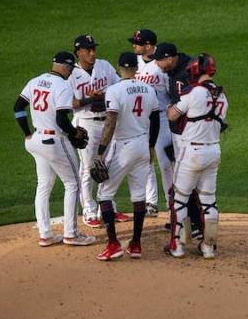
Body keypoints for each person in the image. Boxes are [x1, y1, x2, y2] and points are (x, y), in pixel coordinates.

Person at [13, 51, 96, 247]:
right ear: (66, 67)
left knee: (43, 185)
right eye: (70, 69)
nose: (70, 73)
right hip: (54, 141)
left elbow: (18, 107)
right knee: (72, 184)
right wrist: (74, 132)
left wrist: (26, 132)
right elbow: (61, 120)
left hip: (35, 140)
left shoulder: (36, 81)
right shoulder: (62, 86)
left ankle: (46, 234)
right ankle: (71, 234)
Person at [94, 52, 160, 261]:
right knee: (139, 195)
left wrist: (100, 152)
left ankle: (113, 244)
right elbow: (156, 120)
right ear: (136, 68)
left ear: (119, 67)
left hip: (122, 147)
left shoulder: (114, 90)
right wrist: (151, 147)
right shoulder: (149, 90)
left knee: (104, 194)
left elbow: (110, 123)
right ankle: (136, 244)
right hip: (142, 145)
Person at [165, 54, 228, 259]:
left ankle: (177, 246)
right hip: (214, 151)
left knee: (180, 199)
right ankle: (208, 248)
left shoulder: (193, 93)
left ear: (196, 71)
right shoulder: (222, 96)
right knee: (209, 200)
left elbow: (172, 115)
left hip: (191, 151)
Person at [68, 34, 130, 227]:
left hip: (107, 123)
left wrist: (104, 95)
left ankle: (108, 206)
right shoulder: (71, 74)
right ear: (79, 52)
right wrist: (90, 99)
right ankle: (88, 209)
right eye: (88, 50)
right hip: (85, 123)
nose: (93, 53)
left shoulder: (104, 66)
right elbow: (68, 103)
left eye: (94, 49)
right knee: (88, 167)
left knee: (108, 165)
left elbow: (118, 85)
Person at [147, 42, 203, 239]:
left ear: (170, 58)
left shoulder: (182, 76)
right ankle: (188, 222)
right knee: (183, 181)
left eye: (160, 61)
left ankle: (194, 225)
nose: (158, 66)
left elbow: (180, 109)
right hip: (182, 135)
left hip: (186, 136)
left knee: (186, 182)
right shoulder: (179, 70)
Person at [128, 29, 167, 217]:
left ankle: (174, 206)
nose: (133, 46)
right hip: (140, 120)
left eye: (137, 43)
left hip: (162, 118)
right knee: (146, 160)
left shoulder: (161, 62)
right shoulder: (132, 62)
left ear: (149, 45)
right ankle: (151, 201)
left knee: (166, 164)